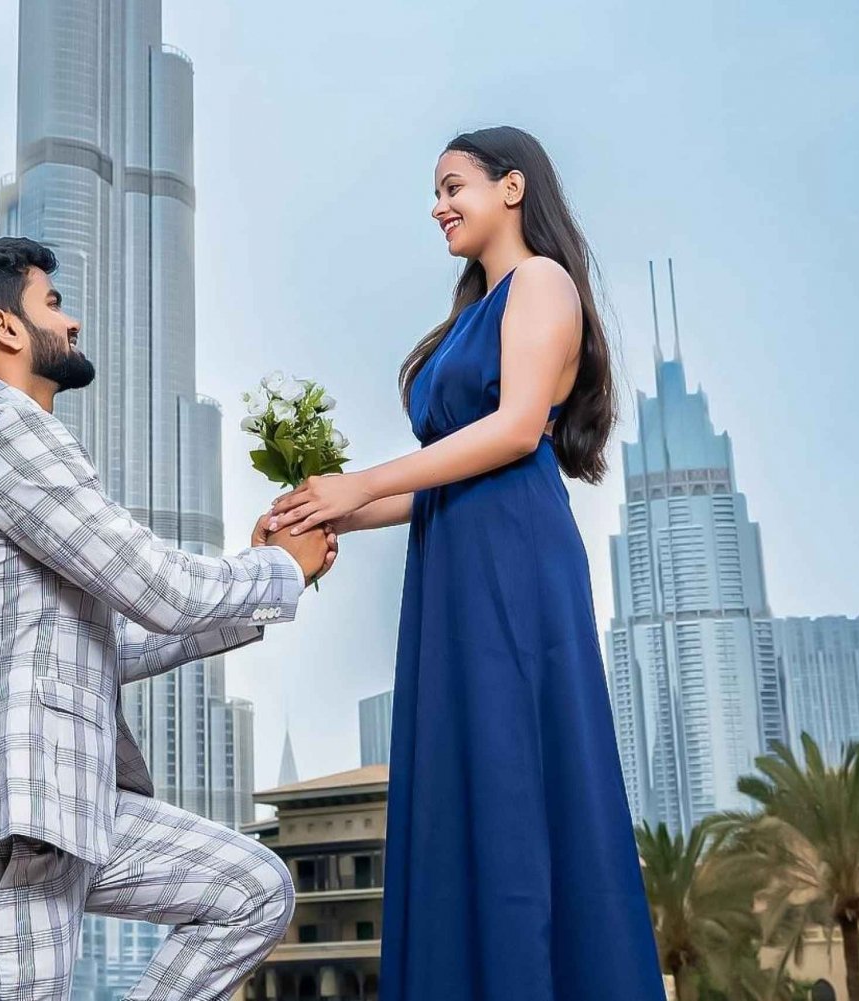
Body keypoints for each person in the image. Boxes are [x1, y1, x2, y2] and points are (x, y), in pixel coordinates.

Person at [0, 237, 336, 1001]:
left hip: (60, 799)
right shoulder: (5, 431)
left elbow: (101, 644)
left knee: (249, 889)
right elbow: (162, 587)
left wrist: (261, 589)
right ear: (8, 329)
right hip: (5, 812)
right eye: (53, 303)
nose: (75, 320)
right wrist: (280, 568)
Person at [269, 126, 666, 1000]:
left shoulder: (543, 283)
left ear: (513, 186)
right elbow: (443, 481)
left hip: (513, 565)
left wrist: (359, 481)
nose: (440, 206)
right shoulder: (472, 315)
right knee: (468, 783)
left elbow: (518, 428)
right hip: (455, 558)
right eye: (435, 195)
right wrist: (319, 511)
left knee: (516, 772)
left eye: (455, 186)